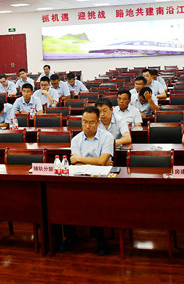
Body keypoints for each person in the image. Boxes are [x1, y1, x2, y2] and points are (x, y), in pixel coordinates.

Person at [61, 106, 114, 256]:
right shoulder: (76, 139)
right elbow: (76, 164)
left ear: (98, 123)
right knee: (64, 199)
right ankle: (71, 237)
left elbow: (102, 161)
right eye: (84, 122)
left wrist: (81, 159)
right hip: (80, 179)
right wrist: (98, 162)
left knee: (98, 201)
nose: (87, 126)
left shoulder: (107, 137)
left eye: (91, 122)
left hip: (101, 182)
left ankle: (101, 240)